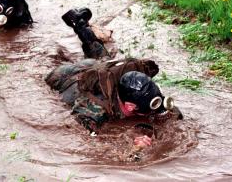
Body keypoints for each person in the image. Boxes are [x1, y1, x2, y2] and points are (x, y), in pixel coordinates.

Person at [45, 58, 182, 148]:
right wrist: (130, 141)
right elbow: (90, 138)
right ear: (130, 106)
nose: (158, 105)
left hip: (95, 65)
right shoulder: (95, 109)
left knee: (100, 56)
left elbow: (175, 115)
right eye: (154, 104)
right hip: (65, 77)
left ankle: (85, 29)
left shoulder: (146, 93)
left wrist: (166, 112)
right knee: (53, 75)